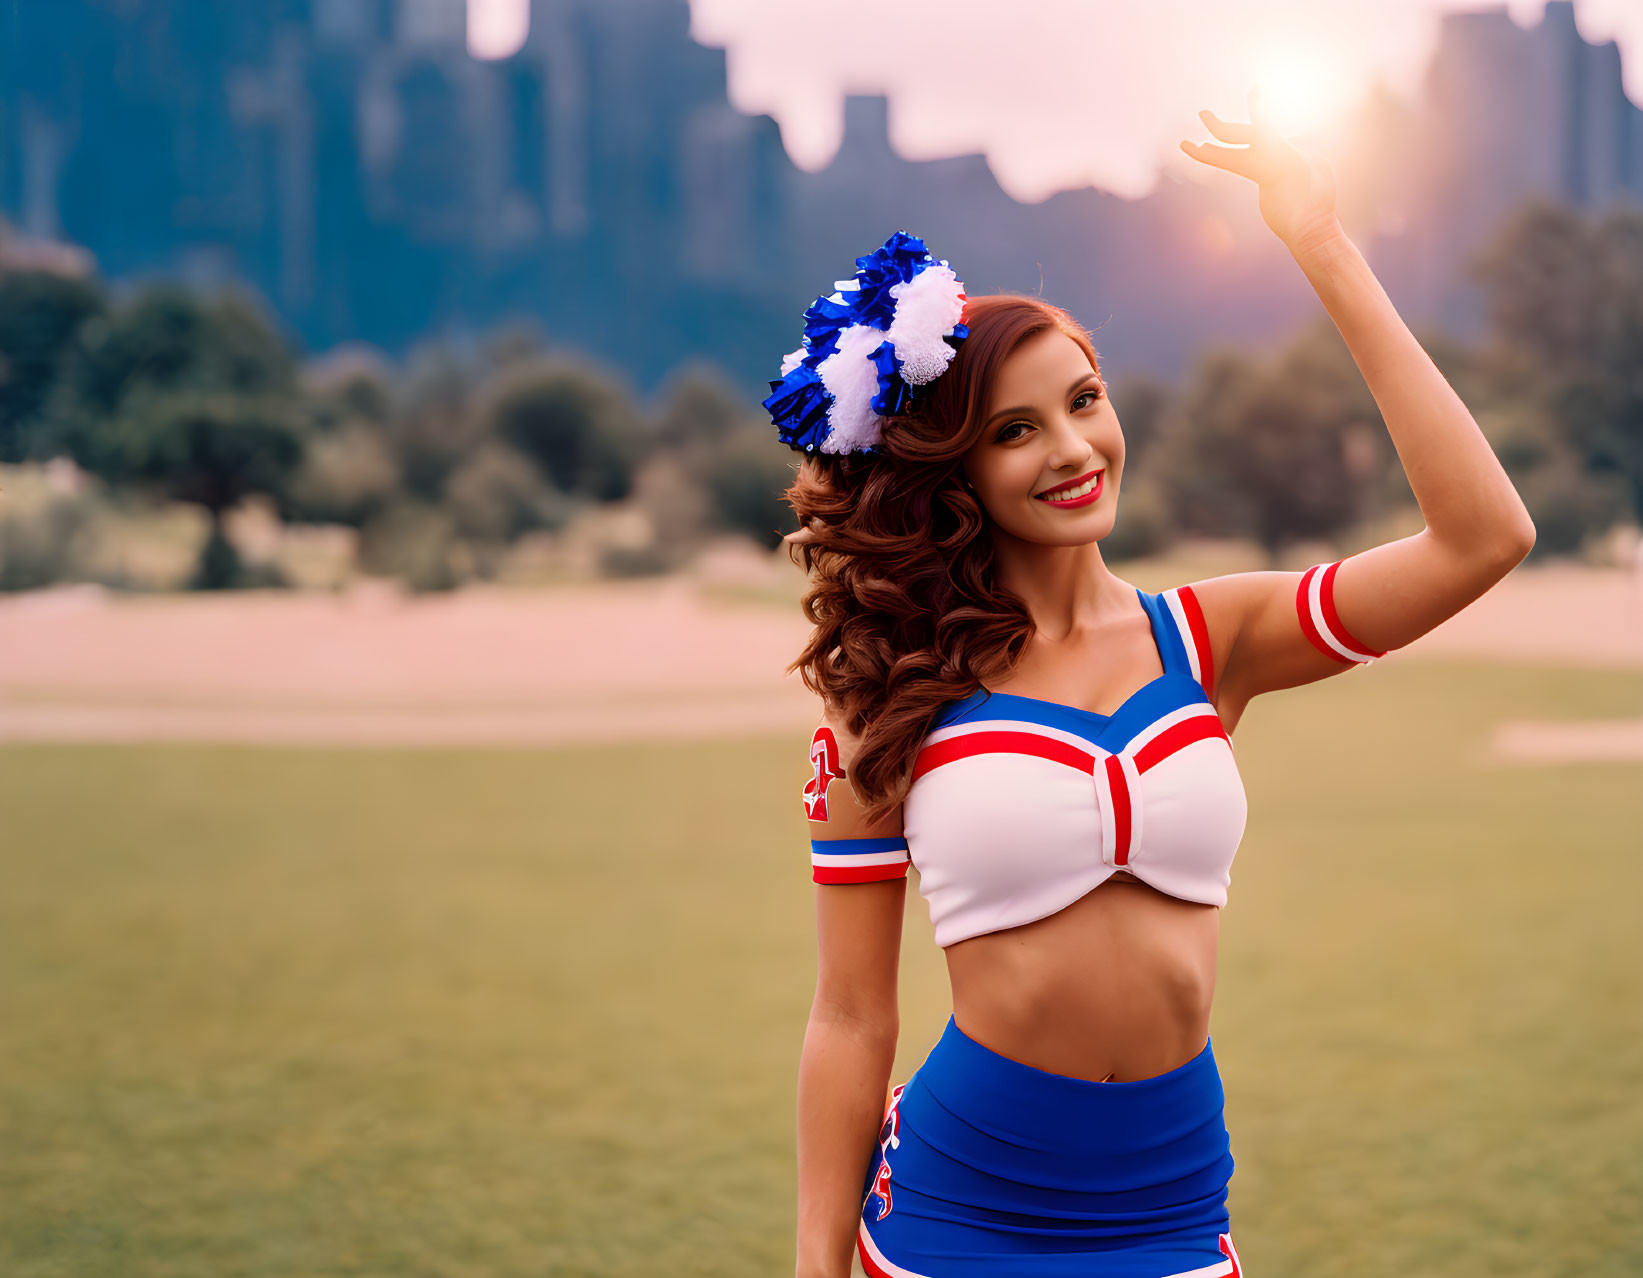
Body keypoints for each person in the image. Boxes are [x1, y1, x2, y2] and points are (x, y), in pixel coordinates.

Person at [773, 92, 1537, 1278]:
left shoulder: (1207, 639)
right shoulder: (892, 688)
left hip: (1173, 1208)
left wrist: (1320, 245)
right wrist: (819, 1261)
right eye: (1016, 430)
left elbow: (1480, 538)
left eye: (1083, 401)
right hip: (957, 1218)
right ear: (955, 470)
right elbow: (849, 1013)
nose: (1073, 449)